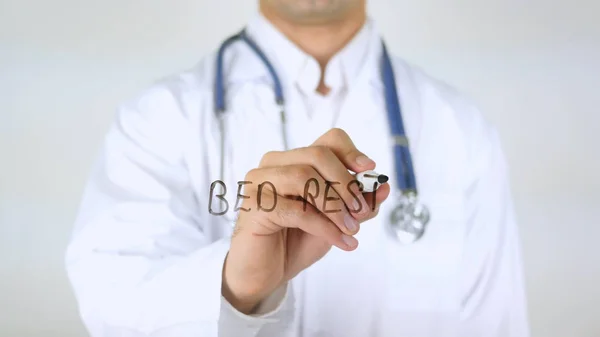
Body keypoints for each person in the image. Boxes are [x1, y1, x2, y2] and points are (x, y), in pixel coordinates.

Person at [65, 0, 530, 336]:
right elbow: (112, 308)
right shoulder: (157, 120)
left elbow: (499, 324)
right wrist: (238, 289)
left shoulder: (460, 129)